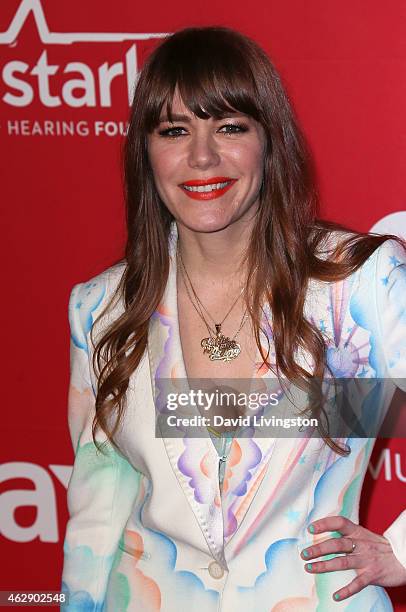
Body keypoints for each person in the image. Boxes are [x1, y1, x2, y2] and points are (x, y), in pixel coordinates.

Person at [61, 26, 406, 611]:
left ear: (269, 141)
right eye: (174, 130)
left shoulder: (356, 284)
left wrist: (401, 550)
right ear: (146, 152)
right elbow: (101, 503)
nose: (201, 156)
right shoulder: (102, 307)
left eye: (229, 127)